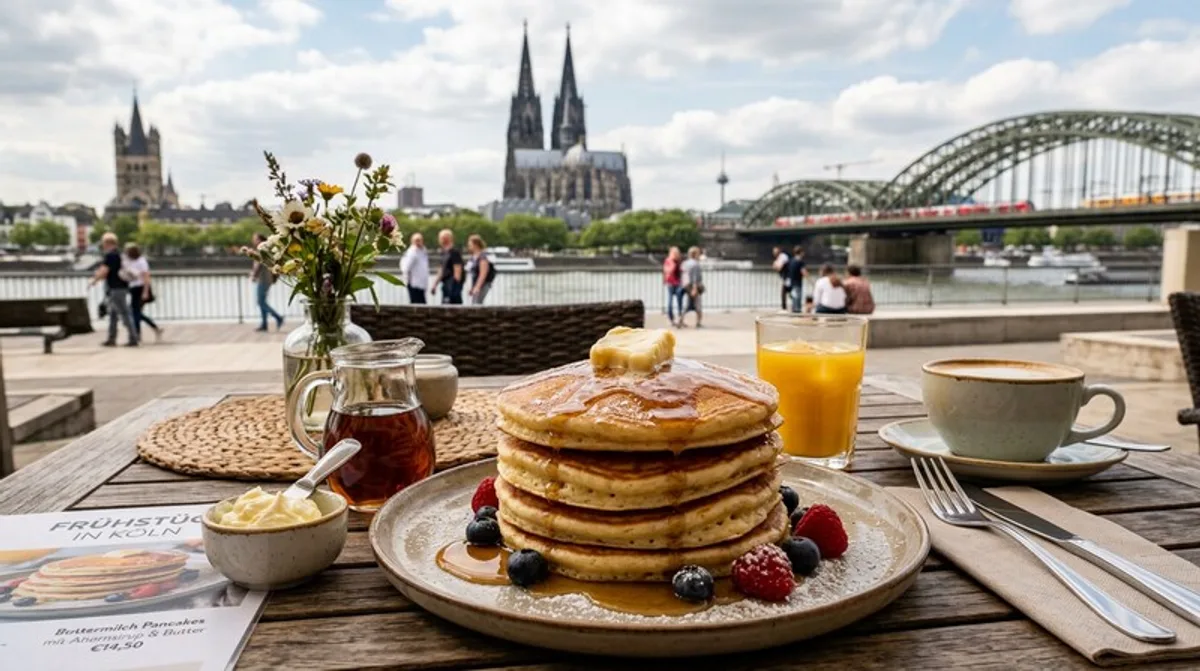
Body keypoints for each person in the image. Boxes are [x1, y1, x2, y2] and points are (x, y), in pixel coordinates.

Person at [89, 232, 138, 347]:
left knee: (124, 313)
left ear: (108, 243)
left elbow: (104, 271)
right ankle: (112, 338)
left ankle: (133, 338)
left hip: (116, 288)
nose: (102, 245)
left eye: (103, 242)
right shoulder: (120, 255)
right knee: (113, 314)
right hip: (121, 287)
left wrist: (94, 280)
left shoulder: (111, 256)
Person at [124, 243, 162, 342]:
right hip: (133, 288)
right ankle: (154, 328)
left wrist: (145, 291)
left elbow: (146, 276)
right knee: (136, 312)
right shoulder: (130, 261)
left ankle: (138, 334)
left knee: (135, 312)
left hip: (140, 288)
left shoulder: (142, 262)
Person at [250, 232, 284, 332]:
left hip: (263, 279)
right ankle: (264, 324)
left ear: (260, 240)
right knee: (262, 302)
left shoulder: (262, 250)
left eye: (255, 239)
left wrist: (254, 275)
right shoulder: (265, 250)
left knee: (261, 302)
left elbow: (259, 265)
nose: (254, 241)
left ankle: (278, 317)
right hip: (266, 279)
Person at [430, 229, 464, 305]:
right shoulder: (444, 253)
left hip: (452, 286)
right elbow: (441, 271)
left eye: (441, 238)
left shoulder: (454, 253)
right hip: (446, 284)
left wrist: (455, 288)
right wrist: (435, 285)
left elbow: (457, 271)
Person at [400, 232, 429, 304]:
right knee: (416, 306)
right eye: (416, 240)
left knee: (422, 305)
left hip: (421, 284)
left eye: (420, 240)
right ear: (412, 241)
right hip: (414, 284)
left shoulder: (423, 251)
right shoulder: (411, 252)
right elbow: (405, 268)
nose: (418, 242)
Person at [465, 234, 495, 305]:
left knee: (477, 304)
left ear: (476, 244)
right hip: (477, 285)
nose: (469, 247)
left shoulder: (482, 257)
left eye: (470, 244)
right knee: (475, 303)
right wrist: (473, 287)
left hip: (483, 285)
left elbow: (483, 273)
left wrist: (477, 287)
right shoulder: (474, 257)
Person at [680, 246, 704, 328]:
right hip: (693, 286)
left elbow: (683, 275)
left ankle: (681, 319)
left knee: (687, 304)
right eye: (698, 253)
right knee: (698, 304)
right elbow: (694, 278)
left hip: (686, 286)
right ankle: (698, 322)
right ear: (696, 254)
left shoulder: (684, 263)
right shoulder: (696, 264)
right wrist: (695, 288)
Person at [662, 246, 684, 327]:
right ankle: (671, 318)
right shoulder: (668, 261)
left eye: (677, 253)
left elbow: (682, 272)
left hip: (679, 283)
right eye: (674, 253)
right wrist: (673, 263)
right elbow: (668, 271)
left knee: (679, 300)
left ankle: (680, 317)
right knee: (670, 301)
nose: (676, 255)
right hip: (670, 283)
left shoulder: (679, 261)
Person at [786, 246, 807, 313]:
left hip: (791, 283)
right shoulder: (800, 262)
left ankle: (794, 311)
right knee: (797, 299)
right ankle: (797, 312)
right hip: (798, 283)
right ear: (800, 252)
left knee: (794, 298)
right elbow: (804, 272)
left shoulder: (791, 260)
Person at [771, 246, 791, 311]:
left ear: (779, 251)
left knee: (785, 291)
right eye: (774, 252)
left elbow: (779, 267)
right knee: (787, 292)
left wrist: (776, 265)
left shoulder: (783, 256)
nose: (774, 253)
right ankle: (784, 307)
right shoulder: (778, 258)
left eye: (775, 252)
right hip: (785, 277)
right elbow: (775, 267)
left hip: (789, 277)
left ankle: (784, 307)